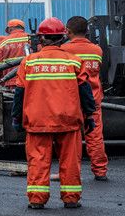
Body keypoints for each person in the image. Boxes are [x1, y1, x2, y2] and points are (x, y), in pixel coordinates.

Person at [12, 17, 96, 210]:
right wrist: (89, 115)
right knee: (70, 161)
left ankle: (36, 199)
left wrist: (16, 117)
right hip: (68, 121)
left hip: (37, 121)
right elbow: (86, 92)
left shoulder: (29, 62)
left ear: (41, 38)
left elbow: (19, 93)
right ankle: (71, 199)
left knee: (38, 161)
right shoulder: (74, 62)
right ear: (62, 37)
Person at [61, 16, 108, 181]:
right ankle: (100, 171)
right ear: (87, 31)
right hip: (93, 99)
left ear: (68, 31)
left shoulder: (64, 51)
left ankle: (72, 172)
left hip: (71, 101)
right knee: (95, 135)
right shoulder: (97, 50)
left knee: (71, 139)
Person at [0, 19, 30, 87]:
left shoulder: (3, 43)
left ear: (10, 29)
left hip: (11, 82)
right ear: (22, 28)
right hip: (29, 80)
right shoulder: (31, 38)